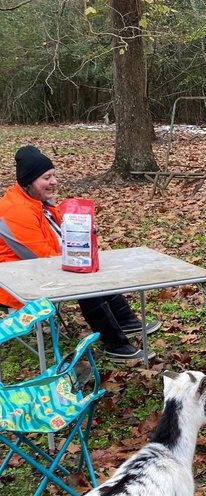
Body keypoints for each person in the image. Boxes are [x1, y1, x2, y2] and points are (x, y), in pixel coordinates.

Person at [0, 145, 161, 362]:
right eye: (47, 177)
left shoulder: (37, 201)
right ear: (29, 181)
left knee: (91, 267)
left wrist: (82, 240)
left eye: (54, 175)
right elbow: (38, 258)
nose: (55, 182)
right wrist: (78, 260)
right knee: (83, 279)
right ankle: (114, 343)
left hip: (36, 268)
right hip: (15, 280)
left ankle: (126, 323)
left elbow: (59, 240)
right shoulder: (16, 210)